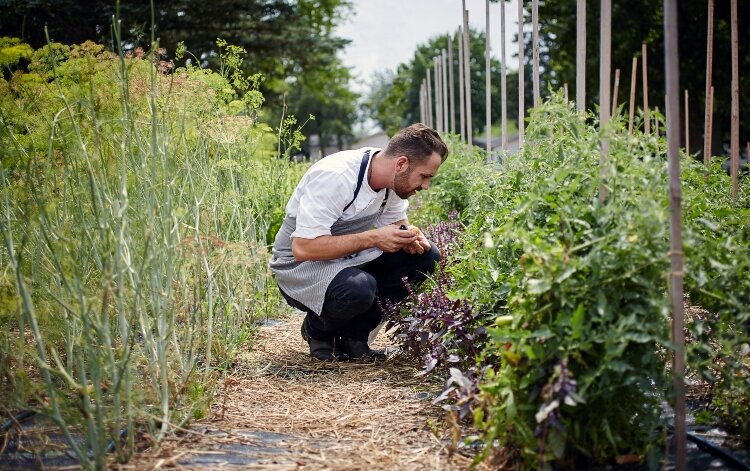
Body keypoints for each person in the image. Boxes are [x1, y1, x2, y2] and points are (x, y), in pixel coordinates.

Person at [269, 123, 448, 361]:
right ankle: (318, 330)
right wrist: (374, 237)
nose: (425, 185)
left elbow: (397, 222)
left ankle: (355, 336)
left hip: (344, 258)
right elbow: (303, 248)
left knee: (426, 257)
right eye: (424, 176)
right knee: (358, 289)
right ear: (401, 163)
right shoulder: (336, 176)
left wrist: (409, 236)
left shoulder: (394, 183)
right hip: (299, 264)